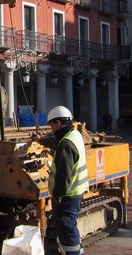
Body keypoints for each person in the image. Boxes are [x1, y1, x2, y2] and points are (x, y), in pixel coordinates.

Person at [45, 106, 89, 255]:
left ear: (58, 123)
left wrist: (57, 195)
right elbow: (55, 141)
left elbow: (64, 174)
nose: (51, 129)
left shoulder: (66, 144)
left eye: (51, 125)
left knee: (67, 229)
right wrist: (39, 140)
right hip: (76, 192)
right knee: (70, 228)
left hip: (68, 196)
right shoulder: (74, 134)